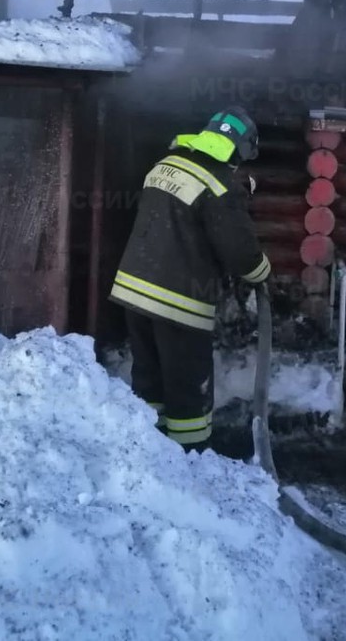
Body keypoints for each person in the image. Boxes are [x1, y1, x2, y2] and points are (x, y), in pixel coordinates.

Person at [109, 106, 271, 452]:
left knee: (149, 378)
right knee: (187, 390)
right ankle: (190, 460)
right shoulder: (219, 183)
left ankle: (147, 452)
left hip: (133, 293)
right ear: (239, 149)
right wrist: (262, 272)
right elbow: (239, 252)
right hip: (177, 303)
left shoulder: (165, 164)